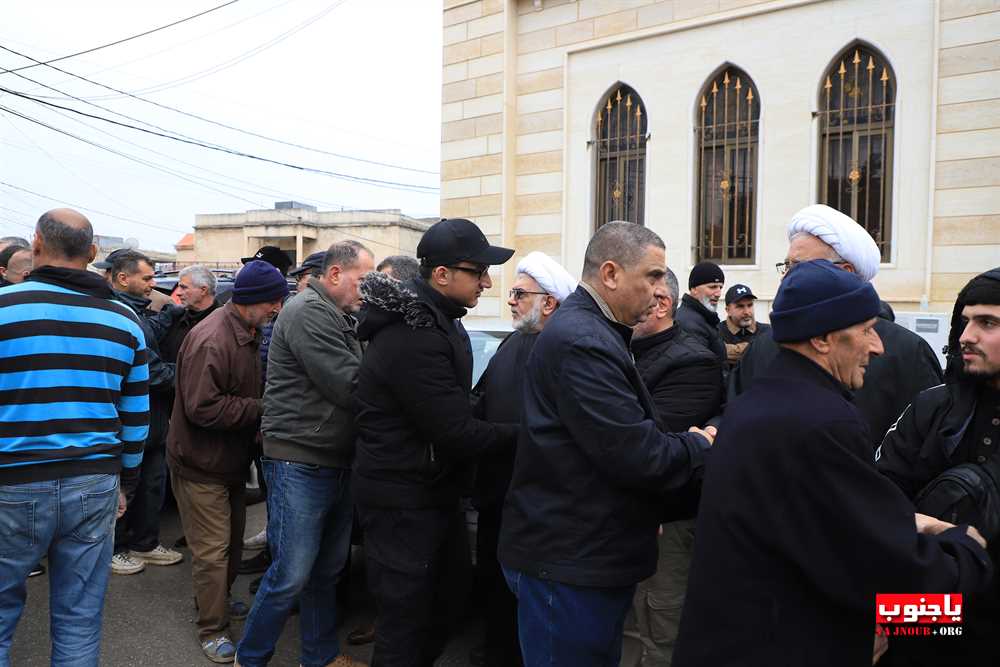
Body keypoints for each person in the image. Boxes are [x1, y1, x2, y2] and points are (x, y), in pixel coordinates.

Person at [673, 259, 993, 667]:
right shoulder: (824, 420)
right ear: (824, 339)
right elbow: (876, 559)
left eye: (988, 323)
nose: (878, 346)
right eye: (866, 331)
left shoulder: (758, 403)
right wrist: (967, 552)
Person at [499, 222, 715, 667]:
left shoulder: (595, 332)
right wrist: (699, 443)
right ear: (612, 274)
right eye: (653, 276)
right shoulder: (584, 340)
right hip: (569, 565)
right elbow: (638, 454)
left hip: (582, 555)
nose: (660, 292)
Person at [353, 218, 518, 667]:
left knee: (444, 605)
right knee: (406, 624)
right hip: (402, 500)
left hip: (430, 492)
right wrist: (531, 436)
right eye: (478, 271)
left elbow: (454, 408)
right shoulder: (414, 335)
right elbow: (455, 431)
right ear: (441, 275)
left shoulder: (440, 321)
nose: (487, 281)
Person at [0, 209, 149, 666]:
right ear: (92, 253)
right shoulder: (124, 320)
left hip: (11, 482)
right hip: (94, 482)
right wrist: (126, 481)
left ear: (37, 243)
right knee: (79, 616)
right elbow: (137, 418)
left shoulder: (5, 309)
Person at [235, 241, 373, 667]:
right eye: (362, 280)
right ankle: (251, 657)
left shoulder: (339, 314)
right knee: (291, 574)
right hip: (301, 459)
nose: (366, 290)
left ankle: (319, 656)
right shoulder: (308, 312)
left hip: (333, 457)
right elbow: (351, 384)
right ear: (334, 274)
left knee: (325, 572)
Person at [728, 204, 943, 448]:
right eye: (786, 266)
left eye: (798, 267)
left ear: (846, 272)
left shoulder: (909, 353)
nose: (786, 276)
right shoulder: (762, 347)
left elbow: (928, 447)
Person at [876, 267, 1000, 667]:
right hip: (928, 612)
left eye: (987, 323)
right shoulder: (932, 407)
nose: (967, 336)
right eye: (964, 322)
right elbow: (876, 502)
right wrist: (882, 621)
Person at [167, 260, 288, 664]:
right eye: (272, 302)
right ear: (250, 300)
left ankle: (213, 603)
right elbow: (203, 408)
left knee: (231, 545)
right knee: (213, 551)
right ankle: (211, 628)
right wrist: (262, 409)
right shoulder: (212, 339)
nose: (277, 309)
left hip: (229, 461)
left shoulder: (247, 329)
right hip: (200, 463)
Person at [471, 251, 577, 667]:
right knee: (494, 588)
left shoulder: (565, 349)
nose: (510, 300)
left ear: (548, 302)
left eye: (519, 293)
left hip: (535, 504)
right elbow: (481, 400)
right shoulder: (514, 341)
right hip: (497, 494)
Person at [621, 266, 724, 667]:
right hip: (630, 519)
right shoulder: (627, 348)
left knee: (660, 628)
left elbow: (651, 444)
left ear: (660, 303)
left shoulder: (691, 362)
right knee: (630, 627)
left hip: (668, 523)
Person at [108, 251, 183, 576]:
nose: (154, 286)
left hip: (152, 422)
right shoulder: (116, 313)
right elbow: (148, 369)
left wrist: (172, 314)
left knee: (152, 485)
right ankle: (115, 549)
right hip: (130, 421)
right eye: (148, 279)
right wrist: (191, 375)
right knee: (127, 489)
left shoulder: (135, 311)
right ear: (124, 279)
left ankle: (145, 543)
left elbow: (149, 332)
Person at [154, 265, 222, 364]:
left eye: (183, 287)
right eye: (179, 287)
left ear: (203, 290)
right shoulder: (174, 317)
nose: (178, 293)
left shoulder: (223, 322)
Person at [674, 260, 725, 364]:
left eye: (720, 287)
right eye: (713, 287)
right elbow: (701, 369)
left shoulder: (704, 319)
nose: (718, 293)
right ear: (694, 289)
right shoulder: (689, 324)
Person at [717, 283, 770, 371]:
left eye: (750, 305)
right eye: (740, 306)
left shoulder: (767, 331)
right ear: (728, 310)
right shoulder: (716, 332)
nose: (747, 312)